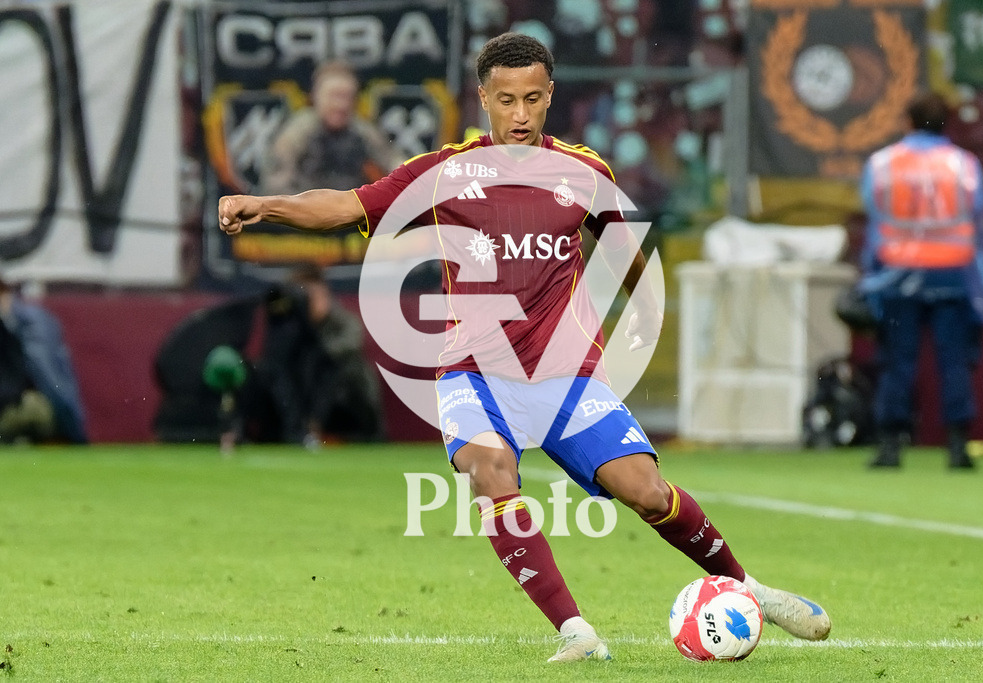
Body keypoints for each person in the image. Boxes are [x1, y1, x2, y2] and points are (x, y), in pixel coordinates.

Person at [220, 32, 830, 662]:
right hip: (473, 372)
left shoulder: (587, 172)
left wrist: (642, 307)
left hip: (564, 376)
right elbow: (345, 206)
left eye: (532, 99)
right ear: (483, 97)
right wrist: (265, 205)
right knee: (492, 475)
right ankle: (575, 630)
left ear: (550, 97)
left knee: (646, 489)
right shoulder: (447, 172)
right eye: (505, 99)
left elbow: (624, 256)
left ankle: (745, 586)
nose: (519, 114)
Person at [859, 91, 983, 470]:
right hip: (951, 274)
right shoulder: (963, 165)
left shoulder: (884, 163)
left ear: (908, 122)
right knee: (954, 362)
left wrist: (868, 280)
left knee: (896, 362)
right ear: (947, 123)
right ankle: (958, 448)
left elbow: (875, 224)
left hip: (896, 275)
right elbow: (978, 224)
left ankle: (890, 446)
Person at [258, 264, 384, 448]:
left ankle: (324, 429)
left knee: (336, 367)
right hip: (300, 392)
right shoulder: (288, 325)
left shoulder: (339, 318)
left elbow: (352, 340)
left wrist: (320, 347)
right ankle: (292, 432)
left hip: (340, 395)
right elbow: (276, 357)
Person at [259, 60, 403, 195]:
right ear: (316, 97)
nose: (341, 105)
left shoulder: (362, 130)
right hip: (305, 209)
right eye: (334, 96)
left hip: (352, 210)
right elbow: (275, 184)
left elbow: (393, 161)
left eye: (347, 97)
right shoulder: (297, 132)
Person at [0, 278, 88, 444]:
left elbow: (50, 377)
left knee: (33, 410)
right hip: (18, 405)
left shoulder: (31, 322)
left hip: (24, 405)